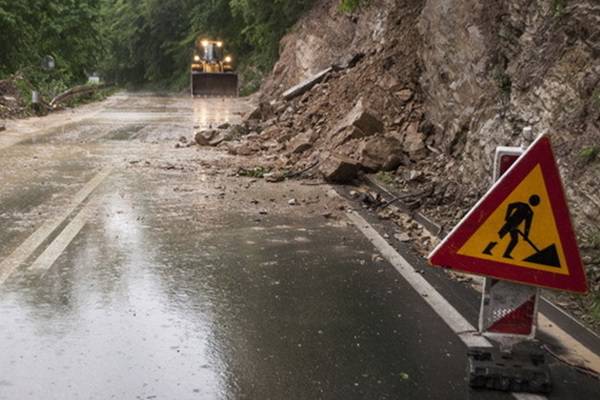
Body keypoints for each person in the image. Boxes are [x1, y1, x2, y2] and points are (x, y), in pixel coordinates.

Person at [498, 195, 540, 259]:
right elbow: (510, 206)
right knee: (499, 236)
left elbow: (527, 224)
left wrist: (526, 235)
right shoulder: (522, 205)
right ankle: (488, 250)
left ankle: (506, 254)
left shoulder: (529, 212)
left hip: (515, 227)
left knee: (514, 240)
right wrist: (507, 217)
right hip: (510, 223)